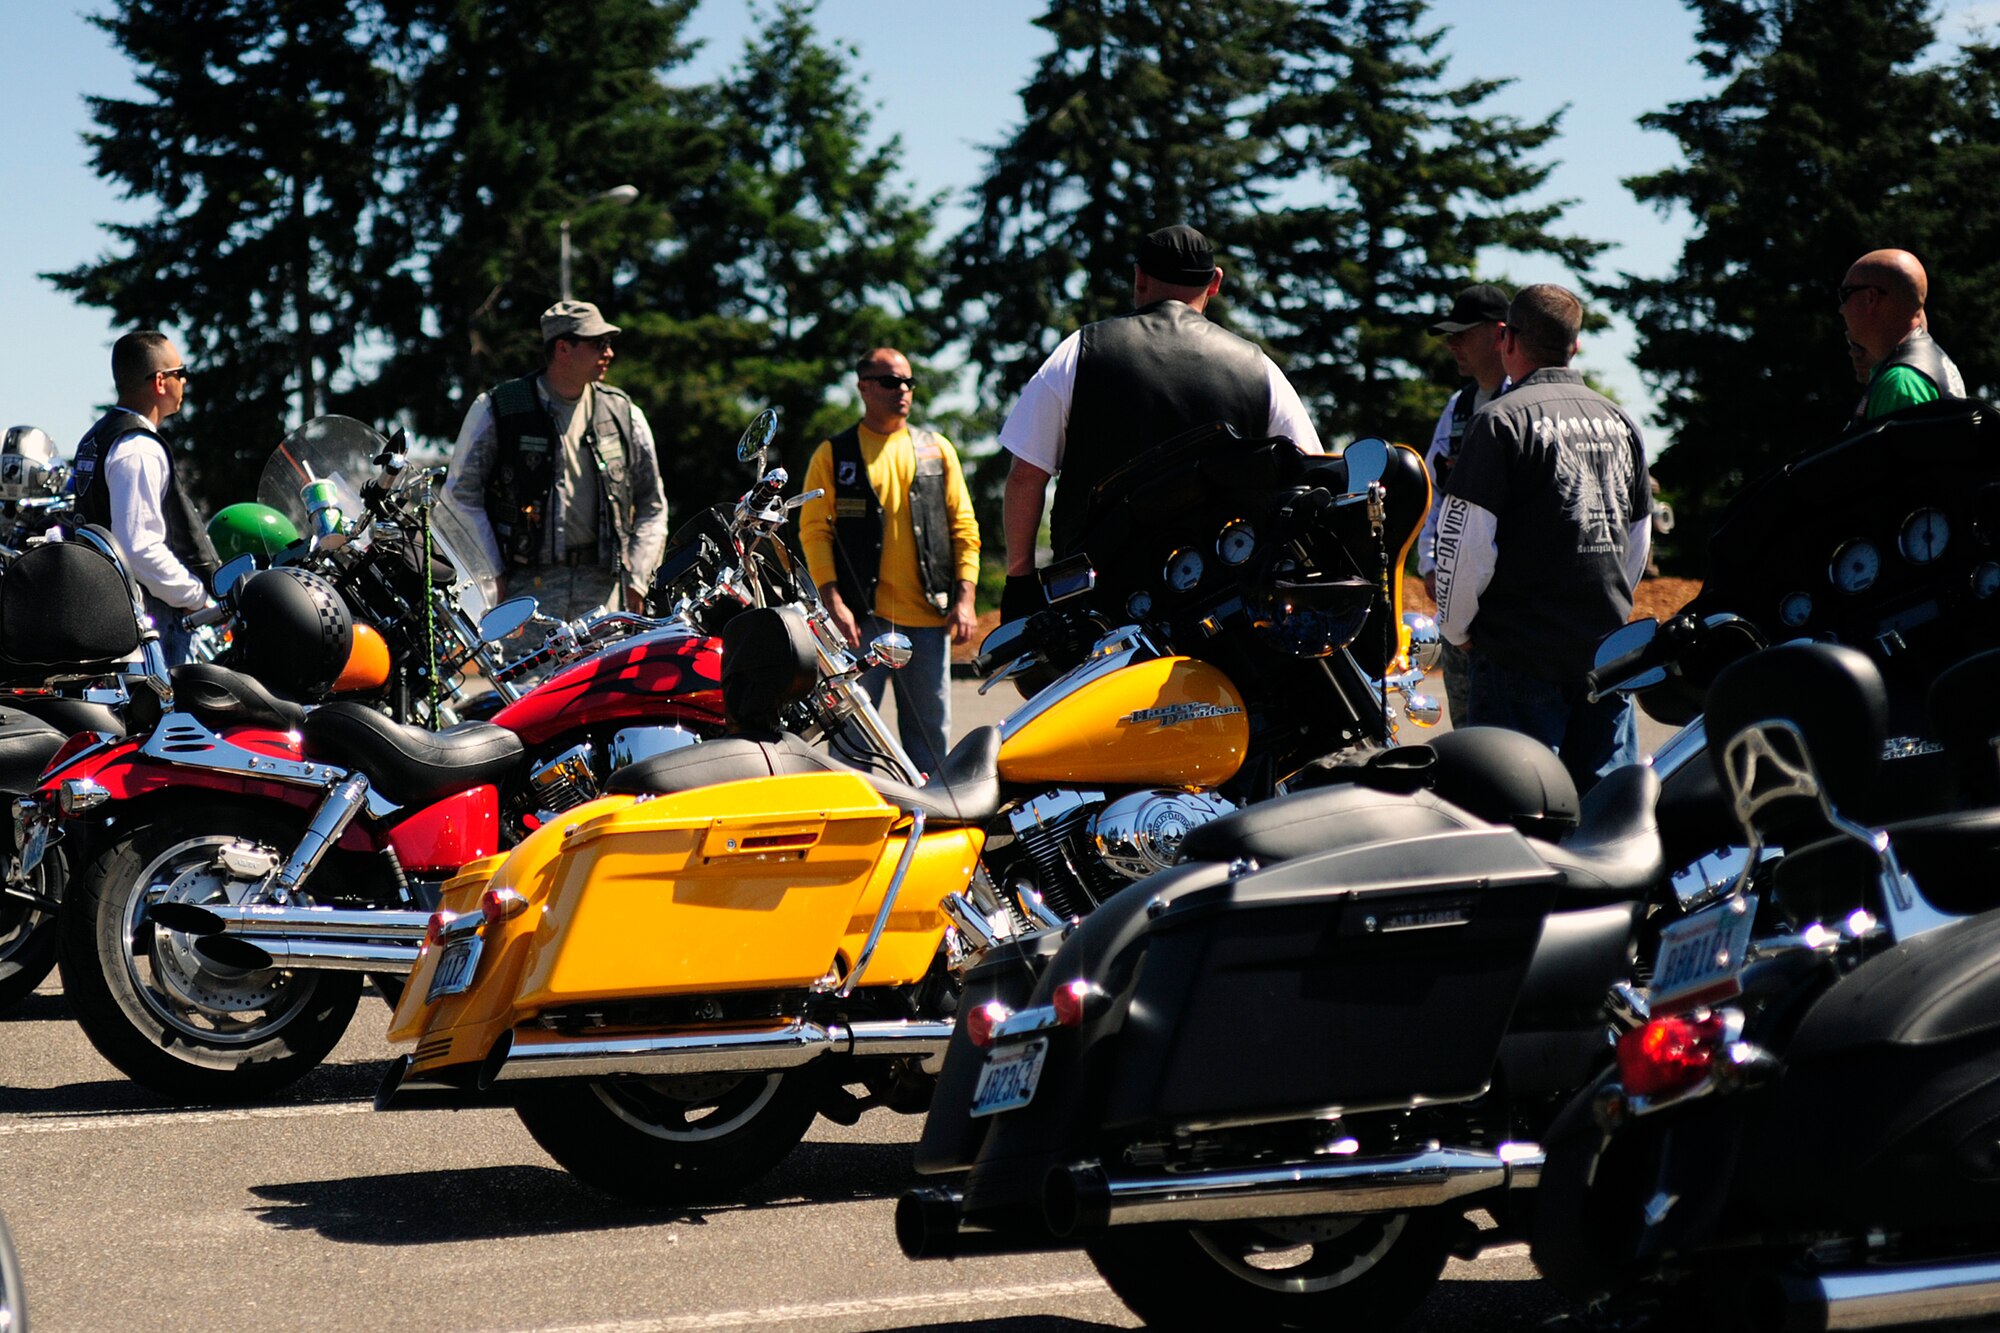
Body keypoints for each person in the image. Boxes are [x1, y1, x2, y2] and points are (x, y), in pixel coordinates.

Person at [996, 224, 1322, 617]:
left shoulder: (1079, 353)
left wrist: (1019, 580)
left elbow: (1026, 476)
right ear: (1215, 282)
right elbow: (1308, 473)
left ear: (1139, 277)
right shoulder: (1259, 368)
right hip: (1220, 603)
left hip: (1098, 604)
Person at [1432, 284, 1652, 795]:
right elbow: (1636, 540)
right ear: (1574, 345)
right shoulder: (1621, 420)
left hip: (1518, 658)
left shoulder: (1500, 420)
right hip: (1606, 654)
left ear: (1507, 339)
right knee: (1606, 817)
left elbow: (1464, 545)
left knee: (1519, 813)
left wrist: (1457, 627)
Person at [799, 349, 981, 775]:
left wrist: (966, 597)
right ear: (863, 387)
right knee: (852, 740)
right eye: (890, 381)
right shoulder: (834, 454)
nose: (902, 390)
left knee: (931, 741)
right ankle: (855, 826)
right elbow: (814, 532)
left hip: (928, 622)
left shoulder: (937, 450)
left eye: (908, 382)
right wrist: (833, 600)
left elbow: (964, 527)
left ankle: (932, 823)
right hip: (861, 622)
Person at [443, 300, 667, 623]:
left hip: (603, 590)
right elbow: (459, 495)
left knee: (604, 675)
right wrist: (489, 572)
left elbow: (653, 505)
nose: (609, 353)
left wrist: (638, 578)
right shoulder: (500, 408)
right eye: (598, 344)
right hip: (525, 590)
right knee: (529, 676)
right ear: (563, 349)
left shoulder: (624, 414)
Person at [71, 330, 219, 666]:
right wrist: (196, 597)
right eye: (181, 373)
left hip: (108, 612)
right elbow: (139, 547)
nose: (184, 382)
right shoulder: (138, 448)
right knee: (170, 716)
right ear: (161, 382)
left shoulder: (96, 438)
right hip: (150, 623)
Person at [1417, 283, 1510, 724]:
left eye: (1464, 333)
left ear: (1500, 334)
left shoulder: (1524, 401)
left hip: (1508, 607)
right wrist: (1431, 563)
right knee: (1468, 735)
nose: (1452, 344)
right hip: (1460, 607)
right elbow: (1436, 490)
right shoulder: (1459, 406)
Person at [1839, 248, 1965, 427]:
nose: (1841, 309)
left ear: (1870, 298)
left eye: (1845, 295)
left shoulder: (1901, 383)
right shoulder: (1921, 365)